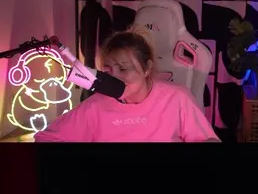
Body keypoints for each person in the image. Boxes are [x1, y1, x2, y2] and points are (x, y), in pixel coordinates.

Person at [35, 29, 219, 142]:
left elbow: (208, 140)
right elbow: (46, 137)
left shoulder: (177, 98)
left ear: (147, 68)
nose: (114, 76)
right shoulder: (95, 106)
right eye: (108, 70)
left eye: (123, 68)